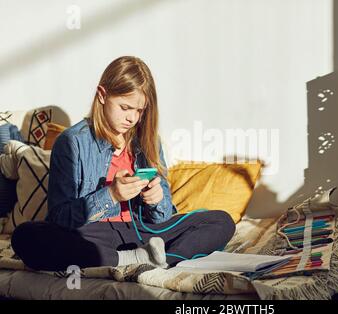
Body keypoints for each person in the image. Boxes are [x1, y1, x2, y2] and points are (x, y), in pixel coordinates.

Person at [11, 56, 236, 272]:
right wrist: (111, 195)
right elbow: (60, 218)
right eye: (125, 107)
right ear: (102, 95)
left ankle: (160, 260)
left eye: (139, 110)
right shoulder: (71, 142)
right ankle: (133, 259)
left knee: (221, 221)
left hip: (145, 233)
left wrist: (156, 200)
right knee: (26, 236)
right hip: (94, 235)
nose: (132, 118)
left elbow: (162, 219)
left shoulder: (148, 141)